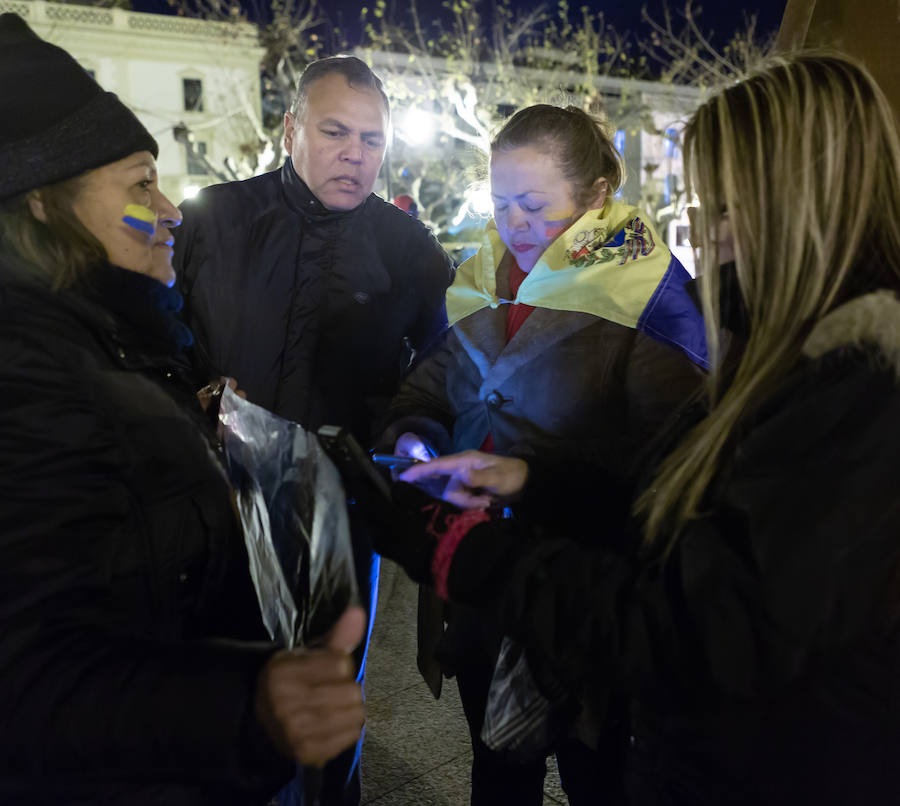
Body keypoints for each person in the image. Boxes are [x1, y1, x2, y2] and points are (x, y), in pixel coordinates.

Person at [375, 52, 900, 804]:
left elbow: (695, 628)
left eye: (724, 206)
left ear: (802, 201)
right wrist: (536, 477)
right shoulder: (791, 349)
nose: (704, 231)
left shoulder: (853, 387)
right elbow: (686, 492)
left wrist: (467, 552)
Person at [0, 14, 365, 804]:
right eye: (138, 184)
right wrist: (251, 705)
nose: (168, 210)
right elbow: (28, 675)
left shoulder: (104, 335)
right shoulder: (27, 366)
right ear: (39, 204)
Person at [379, 104, 707, 805]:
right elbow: (425, 394)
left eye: (533, 205)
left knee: (601, 777)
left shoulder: (650, 295)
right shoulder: (479, 277)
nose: (514, 225)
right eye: (500, 204)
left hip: (591, 587)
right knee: (496, 770)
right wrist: (416, 440)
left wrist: (546, 483)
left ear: (595, 197)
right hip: (478, 572)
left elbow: (676, 462)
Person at [173, 55, 455, 804]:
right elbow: (158, 337)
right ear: (292, 128)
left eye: (371, 140)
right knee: (225, 679)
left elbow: (436, 370)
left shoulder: (411, 252)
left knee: (331, 688)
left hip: (343, 507)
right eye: (335, 132)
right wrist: (190, 394)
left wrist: (412, 431)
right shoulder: (210, 220)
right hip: (219, 501)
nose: (354, 154)